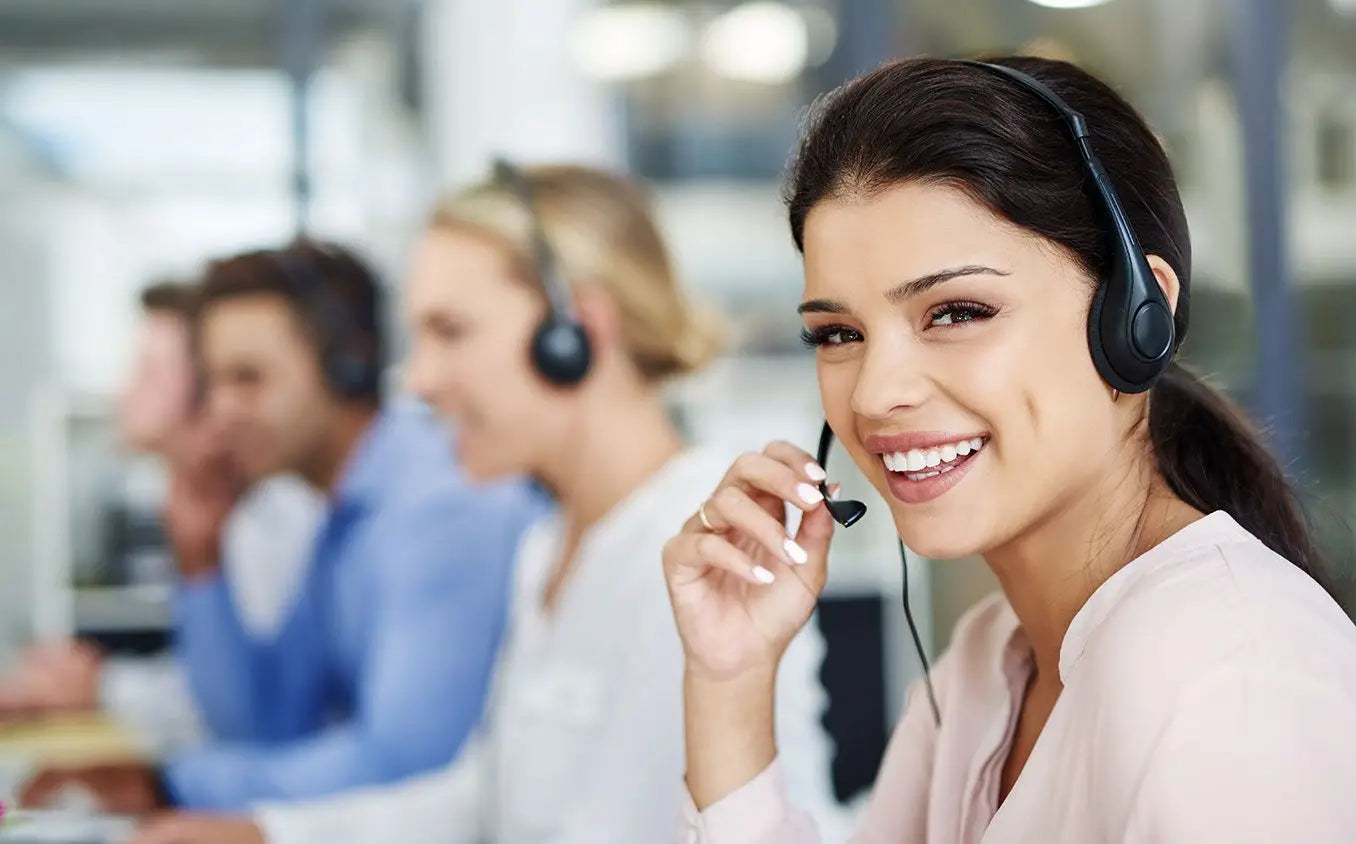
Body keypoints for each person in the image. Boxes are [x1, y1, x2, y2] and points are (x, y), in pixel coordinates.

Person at [664, 56, 1356, 843]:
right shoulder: (985, 668)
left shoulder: (1231, 693)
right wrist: (732, 683)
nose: (874, 395)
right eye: (838, 334)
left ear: (1136, 320)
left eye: (957, 312)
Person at [130, 163, 846, 844]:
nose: (418, 380)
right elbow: (492, 799)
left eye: (451, 332)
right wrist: (269, 832)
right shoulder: (550, 543)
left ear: (575, 332)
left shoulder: (706, 542)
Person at [22, 243, 546, 812]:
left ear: (347, 367)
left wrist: (168, 785)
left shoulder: (440, 507)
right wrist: (201, 559)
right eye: (213, 382)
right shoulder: (340, 520)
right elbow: (265, 724)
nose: (222, 410)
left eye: (248, 378)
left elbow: (402, 766)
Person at [0, 282, 323, 752]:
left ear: (206, 391)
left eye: (149, 372)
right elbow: (210, 676)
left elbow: (253, 712)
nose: (124, 391)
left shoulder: (267, 518)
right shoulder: (200, 504)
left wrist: (98, 686)